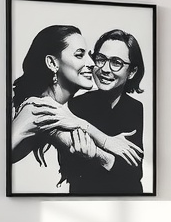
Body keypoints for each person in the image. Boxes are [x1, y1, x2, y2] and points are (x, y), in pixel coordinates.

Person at [11, 25, 142, 187]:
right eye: (80, 55)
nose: (92, 63)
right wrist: (106, 142)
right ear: (52, 63)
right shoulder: (39, 108)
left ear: (132, 71)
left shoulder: (54, 112)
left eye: (89, 55)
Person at [59, 29, 146, 195]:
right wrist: (108, 151)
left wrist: (97, 154)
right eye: (100, 59)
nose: (105, 69)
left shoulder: (134, 108)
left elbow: (133, 173)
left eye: (116, 62)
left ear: (132, 72)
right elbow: (68, 169)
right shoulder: (76, 106)